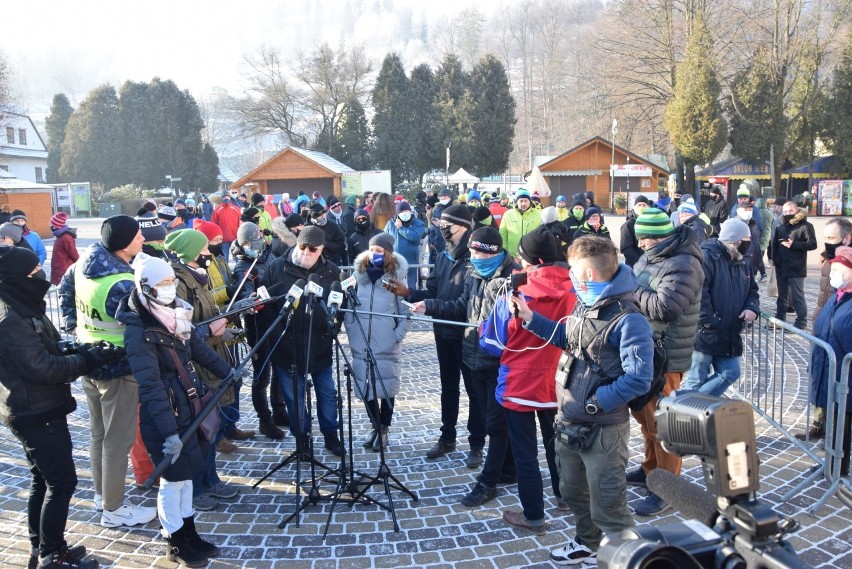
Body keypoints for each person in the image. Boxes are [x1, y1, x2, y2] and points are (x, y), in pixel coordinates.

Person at [510, 236, 654, 559]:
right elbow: (568, 338)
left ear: (587, 274)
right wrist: (529, 317)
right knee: (573, 491)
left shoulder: (630, 320)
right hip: (569, 422)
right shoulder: (585, 304)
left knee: (608, 506)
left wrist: (597, 401)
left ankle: (623, 559)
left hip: (603, 430)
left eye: (574, 271)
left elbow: (639, 378)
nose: (570, 278)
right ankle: (588, 543)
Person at [0, 246, 113, 569]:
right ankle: (53, 554)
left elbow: (46, 347)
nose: (41, 275)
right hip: (35, 410)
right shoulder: (9, 317)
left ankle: (43, 547)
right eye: (35, 270)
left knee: (42, 479)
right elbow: (42, 367)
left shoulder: (21, 304)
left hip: (38, 406)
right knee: (62, 483)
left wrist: (78, 348)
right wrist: (85, 360)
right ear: (19, 277)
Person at [119, 253, 231, 568]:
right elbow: (151, 387)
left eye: (171, 281)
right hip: (166, 417)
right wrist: (169, 433)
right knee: (172, 481)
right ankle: (175, 542)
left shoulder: (175, 313)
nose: (169, 288)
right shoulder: (138, 330)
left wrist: (228, 371)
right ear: (145, 288)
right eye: (162, 284)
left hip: (189, 408)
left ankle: (190, 534)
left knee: (187, 478)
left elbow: (197, 349)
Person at [58, 216, 158, 528]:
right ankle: (114, 509)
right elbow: (150, 321)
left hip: (90, 360)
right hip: (119, 369)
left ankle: (103, 495)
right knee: (118, 439)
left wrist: (73, 325)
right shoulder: (122, 283)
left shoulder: (87, 263)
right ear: (124, 243)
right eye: (139, 236)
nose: (143, 240)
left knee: (99, 434)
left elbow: (64, 289)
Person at [412, 226, 519, 502]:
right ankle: (508, 468)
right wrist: (429, 305)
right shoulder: (475, 273)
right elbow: (462, 306)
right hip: (473, 356)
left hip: (499, 361)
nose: (470, 256)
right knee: (491, 416)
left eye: (475, 252)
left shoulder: (511, 278)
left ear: (490, 252)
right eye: (469, 251)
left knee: (495, 423)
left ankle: (488, 482)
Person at [484, 229, 575, 528]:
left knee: (525, 453)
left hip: (519, 383)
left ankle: (534, 514)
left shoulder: (515, 293)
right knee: (557, 444)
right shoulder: (576, 287)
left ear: (533, 260)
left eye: (521, 257)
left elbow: (493, 343)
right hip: (559, 381)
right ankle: (564, 496)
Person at [386, 205, 486, 463]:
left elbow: (465, 305)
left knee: (474, 391)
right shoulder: (442, 256)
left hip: (468, 335)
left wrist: (429, 306)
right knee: (448, 388)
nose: (441, 229)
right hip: (443, 333)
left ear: (463, 227)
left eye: (446, 225)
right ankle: (447, 437)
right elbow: (432, 291)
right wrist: (408, 293)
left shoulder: (475, 259)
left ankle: (476, 443)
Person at [629, 207, 703, 516]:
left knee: (662, 422)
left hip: (668, 356)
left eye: (643, 239)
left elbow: (666, 307)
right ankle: (650, 469)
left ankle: (668, 486)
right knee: (646, 418)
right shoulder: (653, 255)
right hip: (648, 348)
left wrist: (630, 289)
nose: (641, 245)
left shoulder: (684, 262)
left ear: (657, 237)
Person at [259, 226, 345, 456]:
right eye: (302, 247)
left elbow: (340, 305)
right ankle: (302, 440)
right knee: (294, 400)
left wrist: (333, 328)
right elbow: (266, 309)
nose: (306, 252)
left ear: (321, 250)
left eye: (312, 249)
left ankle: (330, 436)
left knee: (327, 395)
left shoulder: (332, 271)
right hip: (287, 350)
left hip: (320, 347)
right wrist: (279, 336)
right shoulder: (276, 267)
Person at [344, 234, 410, 451]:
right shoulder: (357, 274)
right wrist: (351, 328)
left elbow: (404, 310)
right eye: (372, 250)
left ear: (387, 253)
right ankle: (375, 425)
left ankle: (383, 429)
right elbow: (349, 306)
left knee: (387, 386)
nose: (374, 254)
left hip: (386, 341)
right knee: (366, 386)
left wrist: (397, 335)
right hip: (361, 339)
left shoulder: (396, 276)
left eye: (379, 251)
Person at [682, 219, 759, 396]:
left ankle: (694, 407)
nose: (749, 244)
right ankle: (688, 413)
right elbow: (698, 293)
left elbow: (752, 290)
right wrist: (711, 322)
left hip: (730, 331)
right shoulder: (706, 258)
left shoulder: (743, 261)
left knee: (731, 372)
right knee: (696, 379)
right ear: (734, 241)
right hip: (705, 332)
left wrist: (752, 308)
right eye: (746, 239)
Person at [232, 222, 289, 441]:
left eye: (257, 238)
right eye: (249, 241)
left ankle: (279, 411)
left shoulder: (270, 257)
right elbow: (247, 295)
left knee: (280, 367)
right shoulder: (243, 266)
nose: (256, 243)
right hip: (258, 325)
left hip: (276, 320)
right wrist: (255, 298)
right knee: (262, 373)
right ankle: (265, 420)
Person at [798, 221, 852, 442]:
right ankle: (821, 426)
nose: (827, 242)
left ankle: (836, 449)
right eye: (826, 238)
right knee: (824, 382)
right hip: (827, 321)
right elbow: (826, 294)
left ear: (846, 237)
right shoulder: (828, 259)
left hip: (841, 329)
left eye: (832, 238)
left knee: (841, 403)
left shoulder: (845, 262)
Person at [809, 248, 852, 479]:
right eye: (832, 269)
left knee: (842, 424)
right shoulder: (836, 297)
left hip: (846, 376)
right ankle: (832, 464)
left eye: (839, 270)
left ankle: (839, 467)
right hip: (831, 371)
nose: (834, 273)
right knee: (834, 423)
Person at [768, 201, 817, 330]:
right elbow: (774, 243)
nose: (787, 213)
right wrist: (773, 258)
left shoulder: (806, 226)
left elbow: (812, 244)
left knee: (797, 296)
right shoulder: (780, 226)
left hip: (797, 266)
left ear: (796, 211)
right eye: (785, 211)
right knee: (782, 295)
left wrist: (794, 245)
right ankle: (779, 320)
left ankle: (801, 322)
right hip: (781, 266)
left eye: (790, 211)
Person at [383, 201, 426, 290]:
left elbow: (415, 237)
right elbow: (384, 239)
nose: (404, 213)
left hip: (411, 261)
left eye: (406, 211)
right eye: (401, 212)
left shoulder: (418, 223)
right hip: (394, 261)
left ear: (410, 211)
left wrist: (401, 228)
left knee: (410, 288)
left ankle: (411, 302)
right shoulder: (391, 223)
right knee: (394, 287)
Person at [499, 189, 542, 257]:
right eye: (521, 201)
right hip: (512, 256)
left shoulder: (538, 214)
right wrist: (504, 252)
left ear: (529, 201)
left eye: (526, 201)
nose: (523, 203)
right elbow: (503, 235)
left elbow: (542, 235)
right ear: (516, 202)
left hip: (531, 256)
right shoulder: (508, 214)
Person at [308, 202, 347, 266]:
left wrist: (325, 244)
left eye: (324, 213)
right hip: (313, 263)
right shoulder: (308, 228)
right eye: (321, 215)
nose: (324, 216)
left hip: (331, 263)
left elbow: (341, 246)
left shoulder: (333, 226)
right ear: (315, 217)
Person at [48, 212, 79, 286]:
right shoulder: (60, 236)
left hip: (64, 272)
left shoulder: (66, 237)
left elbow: (75, 256)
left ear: (56, 226)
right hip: (59, 271)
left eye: (51, 224)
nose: (50, 225)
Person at [620, 196, 650, 267]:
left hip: (651, 264)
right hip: (635, 265)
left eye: (644, 205)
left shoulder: (651, 222)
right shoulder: (628, 225)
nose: (641, 207)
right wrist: (640, 262)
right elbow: (626, 248)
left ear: (648, 207)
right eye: (639, 205)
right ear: (634, 207)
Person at [211, 195, 242, 264]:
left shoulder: (236, 209)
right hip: (223, 238)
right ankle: (226, 272)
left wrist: (240, 234)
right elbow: (214, 223)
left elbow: (241, 221)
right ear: (222, 199)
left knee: (238, 256)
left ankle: (239, 270)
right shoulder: (218, 209)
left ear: (230, 198)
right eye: (225, 197)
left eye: (227, 197)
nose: (226, 198)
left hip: (235, 236)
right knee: (225, 257)